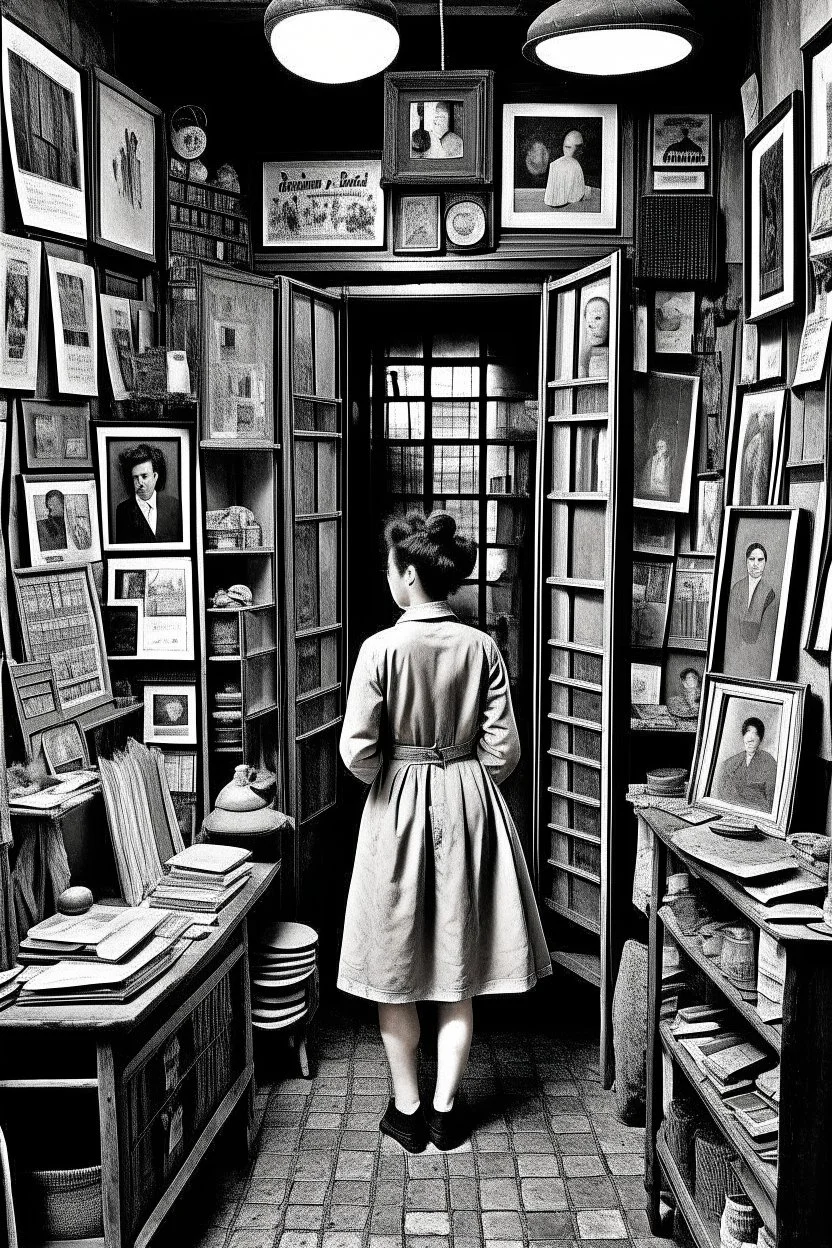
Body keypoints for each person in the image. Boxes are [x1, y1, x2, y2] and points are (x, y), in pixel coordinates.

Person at [338, 511, 551, 1154]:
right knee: (460, 960)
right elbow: (505, 750)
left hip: (396, 805)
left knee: (393, 959)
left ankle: (405, 1109)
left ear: (408, 575)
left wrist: (395, 777)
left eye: (389, 568)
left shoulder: (380, 649)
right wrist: (462, 776)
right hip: (467, 800)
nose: (387, 577)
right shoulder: (480, 647)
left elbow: (356, 751)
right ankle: (444, 1109)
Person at [722, 542, 777, 678]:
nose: (755, 564)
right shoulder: (737, 588)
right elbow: (732, 624)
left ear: (765, 562)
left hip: (758, 655)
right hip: (736, 652)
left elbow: (767, 632)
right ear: (746, 561)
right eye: (751, 559)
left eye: (760, 560)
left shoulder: (769, 592)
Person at [114, 443, 182, 544]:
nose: (140, 483)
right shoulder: (123, 510)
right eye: (135, 477)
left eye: (144, 476)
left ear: (155, 476)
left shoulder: (174, 506)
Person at [715, 716, 777, 813]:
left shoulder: (768, 761)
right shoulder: (731, 762)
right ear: (743, 737)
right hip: (733, 811)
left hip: (759, 813)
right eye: (747, 732)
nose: (750, 739)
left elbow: (771, 798)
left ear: (760, 739)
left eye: (755, 734)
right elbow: (723, 794)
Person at [544, 130, 591, 209]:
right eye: (568, 147)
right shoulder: (555, 165)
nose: (573, 152)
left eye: (578, 147)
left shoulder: (577, 166)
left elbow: (578, 195)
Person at [739, 409, 773, 505]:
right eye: (761, 417)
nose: (763, 421)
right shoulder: (757, 440)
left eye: (765, 417)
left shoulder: (762, 440)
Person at [578, 295, 610, 378]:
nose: (591, 325)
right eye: (588, 320)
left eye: (598, 318)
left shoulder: (615, 353)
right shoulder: (586, 355)